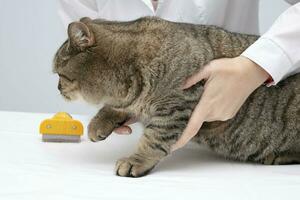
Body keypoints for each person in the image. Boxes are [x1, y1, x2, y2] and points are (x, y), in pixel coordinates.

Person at [59, 0, 300, 151]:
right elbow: (93, 58)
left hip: (260, 115)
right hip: (187, 149)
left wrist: (256, 65)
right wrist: (123, 101)